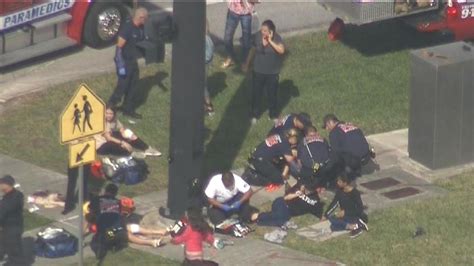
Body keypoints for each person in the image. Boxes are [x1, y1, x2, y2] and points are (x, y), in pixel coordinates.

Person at [108, 7, 149, 119]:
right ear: (140, 17)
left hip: (133, 61)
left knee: (133, 86)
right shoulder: (127, 28)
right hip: (124, 62)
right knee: (122, 87)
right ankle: (109, 108)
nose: (147, 20)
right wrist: (120, 65)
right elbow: (119, 47)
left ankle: (128, 109)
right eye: (146, 18)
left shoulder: (140, 27)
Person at [244, 20, 285, 124]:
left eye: (265, 30)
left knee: (272, 95)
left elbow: (281, 51)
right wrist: (247, 64)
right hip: (258, 71)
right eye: (262, 30)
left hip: (272, 72)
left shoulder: (277, 37)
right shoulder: (257, 36)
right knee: (256, 94)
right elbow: (252, 50)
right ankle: (255, 114)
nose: (262, 32)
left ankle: (273, 114)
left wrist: (270, 41)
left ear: (271, 31)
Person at [253, 181, 324, 229]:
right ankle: (257, 217)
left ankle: (259, 221)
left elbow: (318, 212)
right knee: (279, 216)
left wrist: (322, 217)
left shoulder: (315, 200)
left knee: (282, 219)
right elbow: (286, 197)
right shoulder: (298, 189)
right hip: (282, 203)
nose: (309, 190)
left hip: (288, 212)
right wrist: (298, 193)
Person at [322, 114, 373, 180]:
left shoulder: (334, 133)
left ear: (330, 122)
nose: (326, 129)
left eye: (326, 126)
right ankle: (356, 168)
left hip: (354, 161)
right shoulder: (353, 126)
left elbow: (335, 152)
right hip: (366, 157)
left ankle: (348, 171)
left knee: (333, 158)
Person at [95, 107, 161, 157]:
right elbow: (108, 138)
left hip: (108, 138)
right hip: (101, 145)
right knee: (119, 145)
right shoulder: (102, 122)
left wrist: (123, 133)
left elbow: (120, 127)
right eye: (107, 113)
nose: (109, 115)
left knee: (127, 132)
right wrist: (122, 142)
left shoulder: (113, 119)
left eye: (111, 113)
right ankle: (132, 154)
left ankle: (146, 148)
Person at [89, 183, 127, 261]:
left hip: (105, 228)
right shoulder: (118, 202)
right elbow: (120, 215)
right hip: (118, 228)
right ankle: (114, 242)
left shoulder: (97, 199)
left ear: (105, 191)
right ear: (115, 193)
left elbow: (90, 212)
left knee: (100, 238)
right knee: (110, 234)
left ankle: (103, 248)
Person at [221, 0, 256, 69]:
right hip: (232, 11)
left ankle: (245, 61)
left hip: (246, 13)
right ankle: (231, 57)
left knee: (246, 40)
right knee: (227, 38)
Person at [0, 175, 25, 266]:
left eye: (1, 184)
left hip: (12, 228)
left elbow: (2, 213)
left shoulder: (9, 200)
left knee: (14, 249)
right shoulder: (18, 194)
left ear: (7, 185)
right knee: (2, 243)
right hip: (14, 225)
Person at [205, 19, 215, 116]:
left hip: (202, 66)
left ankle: (209, 106)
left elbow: (208, 56)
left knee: (202, 86)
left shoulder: (207, 39)